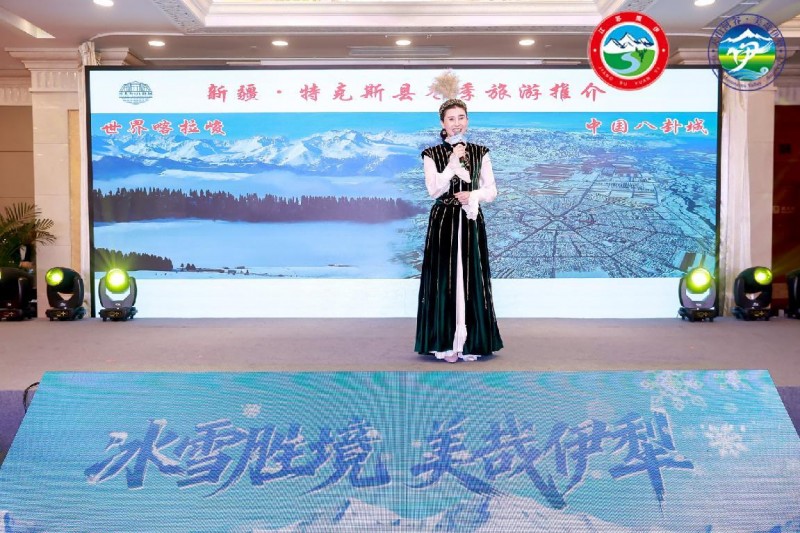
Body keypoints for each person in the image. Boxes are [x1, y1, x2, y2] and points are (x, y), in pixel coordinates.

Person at [415, 98, 503, 362]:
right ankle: (445, 344)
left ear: (468, 120)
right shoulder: (431, 154)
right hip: (444, 219)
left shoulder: (480, 152)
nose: (457, 123)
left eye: (461, 117)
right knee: (444, 278)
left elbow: (491, 190)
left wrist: (473, 195)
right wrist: (452, 164)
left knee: (471, 276)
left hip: (470, 218)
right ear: (442, 123)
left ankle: (470, 342)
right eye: (451, 119)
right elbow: (434, 190)